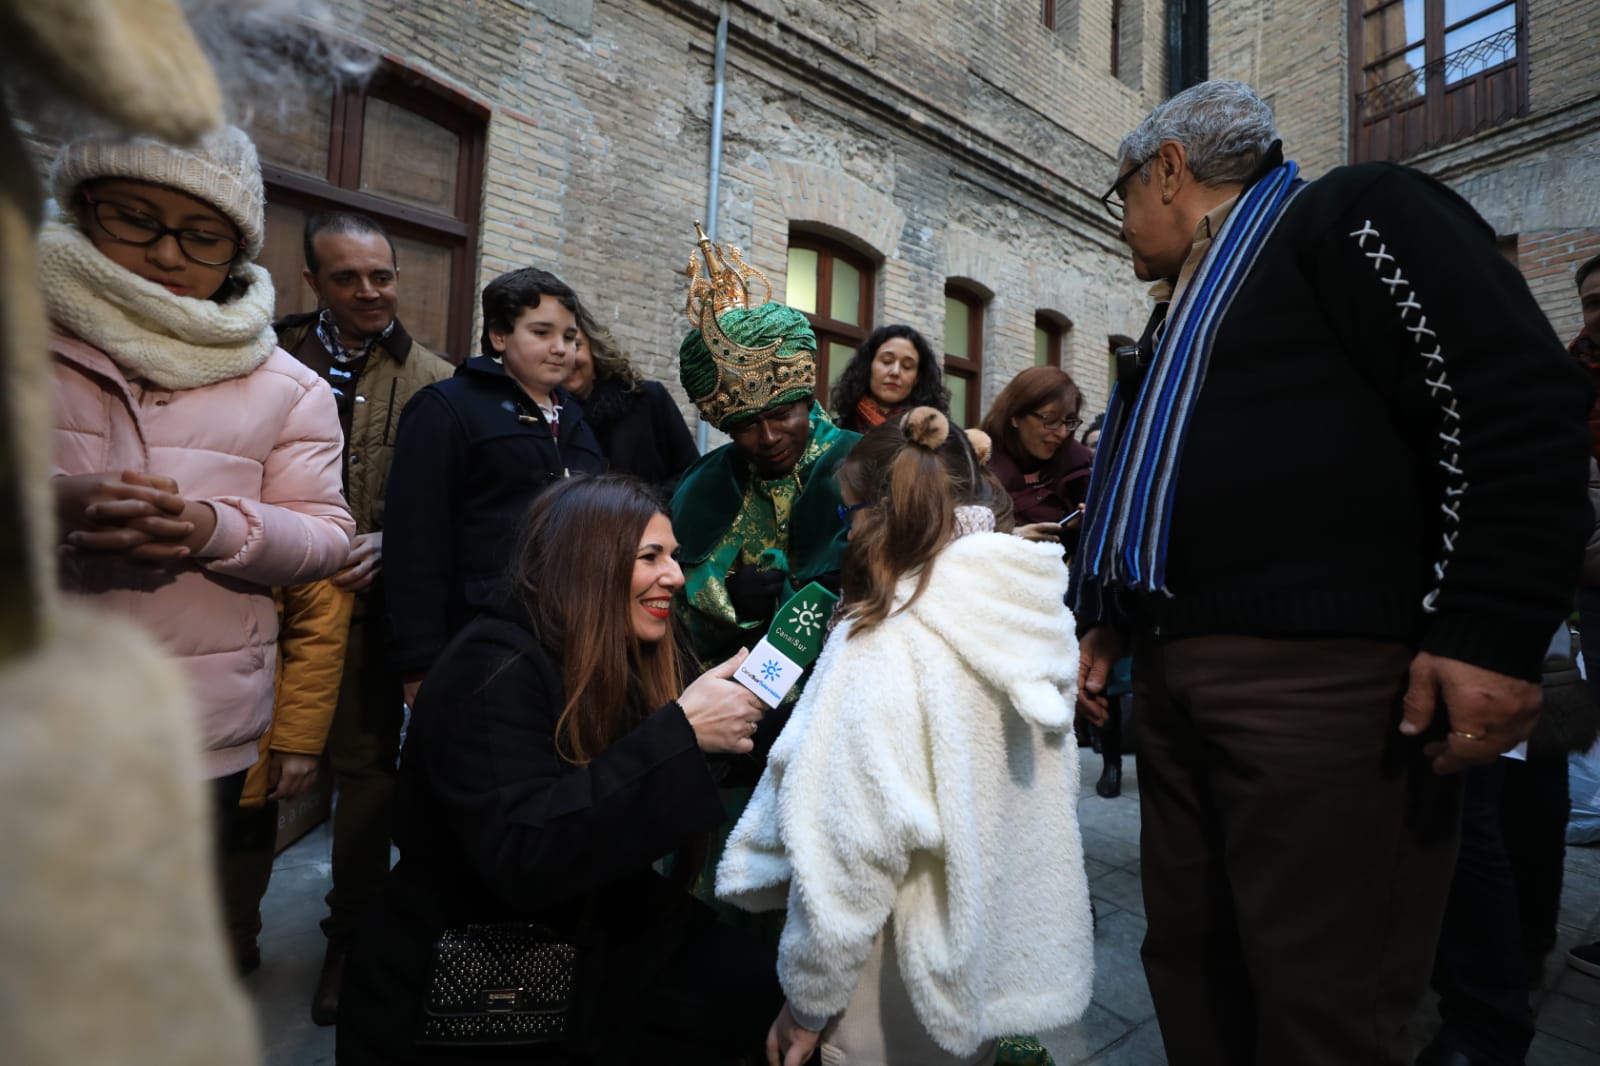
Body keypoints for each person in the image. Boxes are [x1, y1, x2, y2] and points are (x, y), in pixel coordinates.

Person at [1071, 81, 1591, 1066]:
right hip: (1180, 676)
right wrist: (1109, 615)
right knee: (1192, 957)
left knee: (1321, 996)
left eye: (1121, 193)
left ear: (1170, 170)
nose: (1122, 221)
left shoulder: (1352, 215)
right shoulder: (1183, 309)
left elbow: (1513, 402)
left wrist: (1487, 627)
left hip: (1321, 688)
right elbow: (1154, 481)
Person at [336, 475, 783, 1066]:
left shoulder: (606, 651)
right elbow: (526, 854)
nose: (676, 576)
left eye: (672, 557)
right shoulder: (490, 667)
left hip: (591, 922)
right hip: (474, 967)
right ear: (588, 563)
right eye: (650, 557)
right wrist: (682, 734)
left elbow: (635, 770)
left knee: (762, 991)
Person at [718, 407, 1095, 1066]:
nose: (844, 533)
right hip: (982, 956)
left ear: (874, 517)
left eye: (846, 516)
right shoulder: (1024, 615)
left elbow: (851, 846)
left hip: (887, 980)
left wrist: (808, 1001)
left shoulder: (887, 643)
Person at [264, 210, 453, 1021]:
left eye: (382, 276)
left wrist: (391, 542)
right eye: (348, 278)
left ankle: (352, 940)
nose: (370, 292)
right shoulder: (267, 357)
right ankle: (221, 928)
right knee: (245, 771)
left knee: (368, 780)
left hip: (369, 611)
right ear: (314, 282)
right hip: (260, 600)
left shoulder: (436, 381)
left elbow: (445, 503)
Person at [383, 267, 606, 709]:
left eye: (569, 337)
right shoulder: (447, 407)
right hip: (474, 637)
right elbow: (415, 541)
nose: (560, 349)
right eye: (542, 332)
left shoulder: (579, 422)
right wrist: (419, 661)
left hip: (566, 638)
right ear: (500, 336)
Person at [670, 225, 859, 675]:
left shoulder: (865, 462)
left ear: (807, 402)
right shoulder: (703, 485)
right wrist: (729, 601)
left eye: (781, 416)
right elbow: (672, 608)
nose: (769, 437)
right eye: (748, 426)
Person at [562, 305, 699, 497]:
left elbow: (691, 474)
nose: (567, 356)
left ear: (594, 348)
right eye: (560, 347)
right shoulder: (551, 417)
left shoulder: (648, 398)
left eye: (575, 345)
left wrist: (642, 507)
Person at [979, 365, 1094, 551]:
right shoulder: (974, 468)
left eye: (1069, 421)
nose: (1062, 433)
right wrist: (1010, 537)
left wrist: (1086, 525)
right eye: (1050, 419)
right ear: (1015, 416)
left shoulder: (1080, 467)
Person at [829, 323, 949, 433]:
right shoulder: (836, 432)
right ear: (868, 365)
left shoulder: (932, 438)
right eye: (887, 361)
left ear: (918, 377)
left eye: (907, 366)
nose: (895, 372)